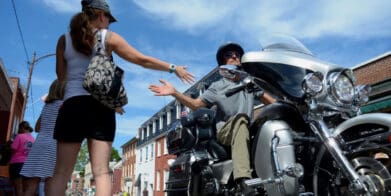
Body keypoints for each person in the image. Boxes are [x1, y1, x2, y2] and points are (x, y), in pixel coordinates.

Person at [46, 0, 194, 195]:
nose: (109, 23)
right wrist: (173, 68)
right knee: (101, 173)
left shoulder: (63, 40)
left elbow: (61, 77)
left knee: (61, 172)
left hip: (72, 105)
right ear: (100, 14)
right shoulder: (107, 37)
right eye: (108, 18)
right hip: (100, 108)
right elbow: (141, 60)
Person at [149, 43, 275, 195]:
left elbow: (273, 103)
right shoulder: (217, 86)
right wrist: (175, 92)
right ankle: (243, 181)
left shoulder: (249, 82)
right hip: (225, 132)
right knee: (241, 120)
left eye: (237, 54)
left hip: (247, 129)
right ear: (223, 62)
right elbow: (196, 105)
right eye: (229, 55)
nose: (235, 56)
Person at [20, 79, 65, 196]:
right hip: (52, 146)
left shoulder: (47, 106)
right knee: (50, 182)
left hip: (38, 145)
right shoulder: (63, 106)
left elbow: (37, 128)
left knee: (32, 183)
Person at [9, 121, 35, 196]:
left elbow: (13, 149)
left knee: (18, 189)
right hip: (28, 166)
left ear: (21, 128)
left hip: (17, 164)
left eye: (19, 129)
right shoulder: (33, 139)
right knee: (26, 189)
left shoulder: (19, 136)